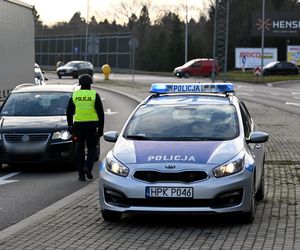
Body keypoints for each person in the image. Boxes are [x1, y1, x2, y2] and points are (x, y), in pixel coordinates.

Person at [67, 74, 105, 181]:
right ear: (90, 84)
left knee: (80, 148)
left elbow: (69, 112)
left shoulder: (75, 95)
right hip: (92, 126)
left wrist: (70, 125)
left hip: (78, 126)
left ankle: (81, 175)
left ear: (80, 84)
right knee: (92, 148)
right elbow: (101, 113)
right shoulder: (94, 95)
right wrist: (101, 129)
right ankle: (88, 167)